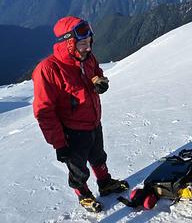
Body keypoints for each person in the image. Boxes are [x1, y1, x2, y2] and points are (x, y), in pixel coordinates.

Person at [32, 16, 129, 213]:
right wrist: (59, 143)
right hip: (72, 131)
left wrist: (100, 81)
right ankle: (83, 194)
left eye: (89, 43)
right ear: (68, 43)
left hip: (93, 121)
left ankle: (105, 183)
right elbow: (44, 112)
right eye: (82, 43)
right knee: (78, 168)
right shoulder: (49, 69)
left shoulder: (87, 58)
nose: (87, 48)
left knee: (98, 156)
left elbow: (96, 71)